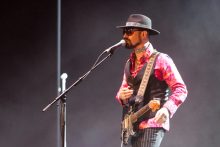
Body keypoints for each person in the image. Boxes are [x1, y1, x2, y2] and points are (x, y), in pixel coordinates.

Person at [115, 14, 188, 147]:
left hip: (152, 123)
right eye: (124, 31)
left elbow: (180, 89)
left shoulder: (161, 59)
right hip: (130, 125)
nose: (125, 36)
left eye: (130, 31)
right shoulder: (129, 63)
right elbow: (122, 91)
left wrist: (167, 109)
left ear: (143, 34)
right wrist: (121, 96)